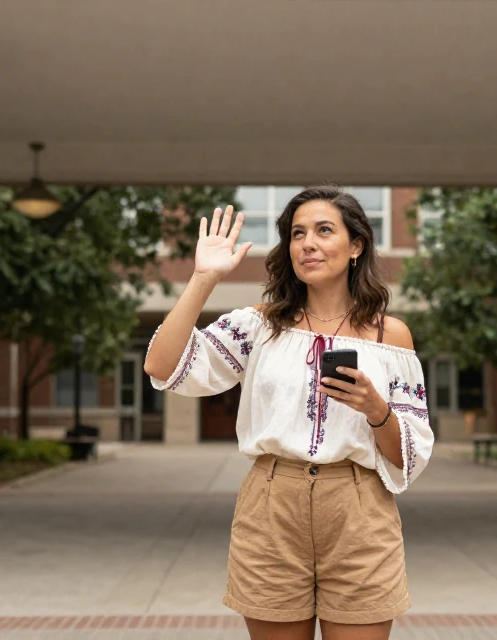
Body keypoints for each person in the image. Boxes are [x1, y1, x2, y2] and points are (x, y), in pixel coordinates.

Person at [144, 186, 434, 640]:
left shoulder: (390, 335)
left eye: (324, 230)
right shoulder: (260, 326)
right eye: (297, 233)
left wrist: (377, 410)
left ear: (356, 245)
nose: (307, 243)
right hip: (271, 504)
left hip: (358, 509)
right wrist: (203, 278)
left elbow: (408, 455)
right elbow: (162, 366)